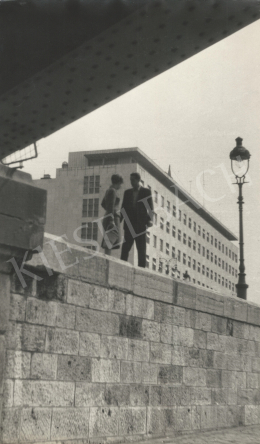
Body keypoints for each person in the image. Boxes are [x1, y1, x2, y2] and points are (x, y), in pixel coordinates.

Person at [120, 172, 154, 267]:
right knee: (125, 248)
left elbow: (150, 207)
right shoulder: (127, 193)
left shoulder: (146, 192)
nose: (131, 182)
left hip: (140, 225)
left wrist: (150, 220)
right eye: (130, 180)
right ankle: (122, 266)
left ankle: (141, 269)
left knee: (141, 250)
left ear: (138, 180)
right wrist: (119, 221)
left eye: (133, 180)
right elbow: (123, 208)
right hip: (129, 225)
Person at [101, 174, 123, 255]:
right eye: (120, 184)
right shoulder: (113, 191)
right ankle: (107, 261)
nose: (120, 186)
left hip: (109, 216)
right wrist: (111, 220)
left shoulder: (109, 190)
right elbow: (111, 206)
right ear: (118, 182)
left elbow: (103, 204)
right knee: (110, 240)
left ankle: (107, 260)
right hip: (113, 217)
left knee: (110, 240)